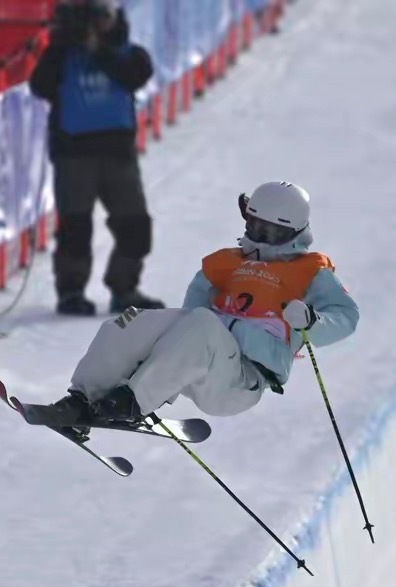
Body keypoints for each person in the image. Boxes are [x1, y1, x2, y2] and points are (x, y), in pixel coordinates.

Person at [40, 180, 360, 425]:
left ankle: (133, 402)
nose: (259, 237)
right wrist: (151, 353)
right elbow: (187, 320)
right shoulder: (225, 263)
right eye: (254, 226)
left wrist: (311, 321)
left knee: (203, 324)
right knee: (135, 319)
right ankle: (83, 397)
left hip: (242, 380)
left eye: (270, 231)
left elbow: (347, 318)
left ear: (292, 232)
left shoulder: (308, 271)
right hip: (206, 366)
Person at [29, 0, 164, 316]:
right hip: (74, 152)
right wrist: (63, 44)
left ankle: (124, 286)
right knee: (75, 227)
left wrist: (99, 48)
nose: (95, 23)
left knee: (135, 224)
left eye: (102, 16)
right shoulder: (62, 56)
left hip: (117, 153)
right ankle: (71, 291)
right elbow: (41, 85)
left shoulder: (129, 53)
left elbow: (134, 75)